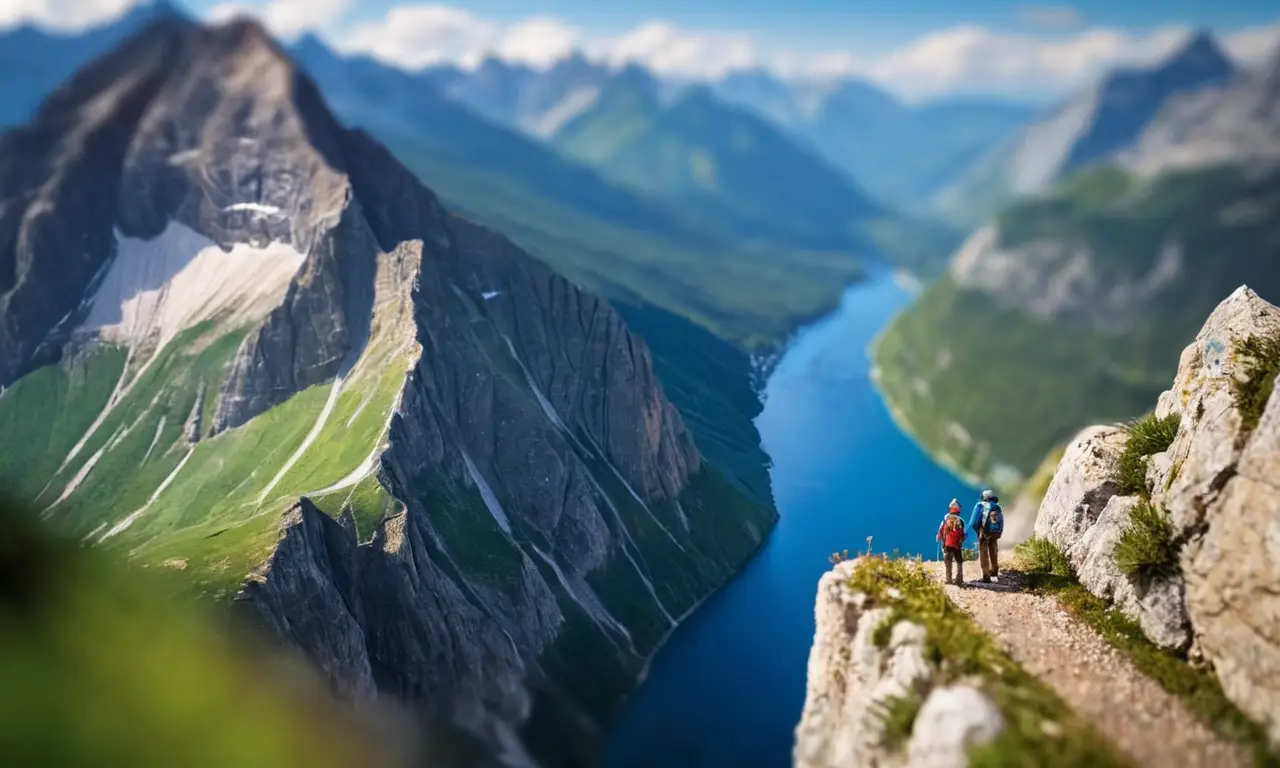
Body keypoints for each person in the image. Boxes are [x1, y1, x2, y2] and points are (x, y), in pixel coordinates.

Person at [968, 489, 1004, 583]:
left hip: (984, 532)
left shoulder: (980, 505)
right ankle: (994, 570)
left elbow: (973, 522)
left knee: (983, 552)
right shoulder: (998, 507)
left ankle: (986, 575)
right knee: (993, 548)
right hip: (995, 532)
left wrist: (978, 531)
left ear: (984, 497)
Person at [936, 499, 967, 585]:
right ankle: (959, 578)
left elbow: (940, 532)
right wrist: (962, 540)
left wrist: (939, 538)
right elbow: (964, 533)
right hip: (957, 545)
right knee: (959, 561)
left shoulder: (946, 520)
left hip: (947, 545)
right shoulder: (961, 520)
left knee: (948, 561)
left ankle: (948, 579)